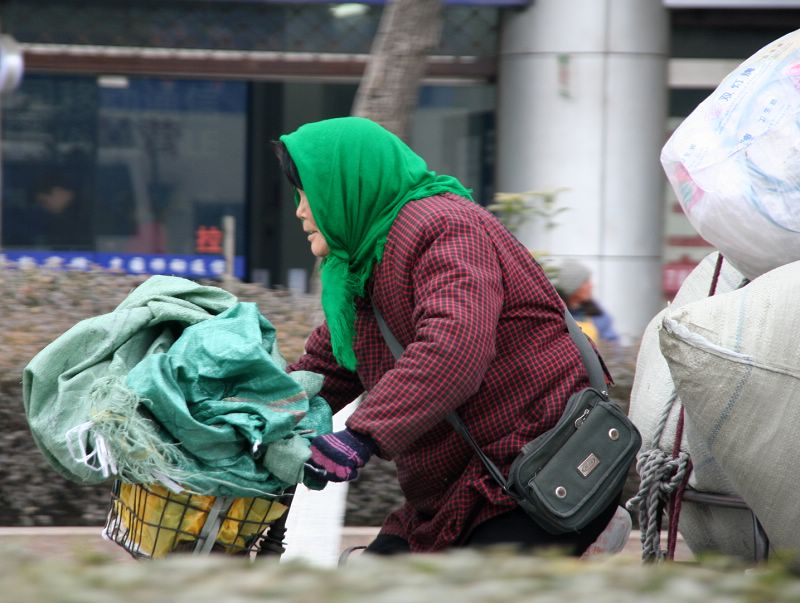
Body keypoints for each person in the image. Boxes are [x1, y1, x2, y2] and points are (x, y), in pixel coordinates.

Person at [274, 116, 621, 555]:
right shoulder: (362, 264)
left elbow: (455, 346)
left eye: (308, 192)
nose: (300, 210)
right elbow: (326, 369)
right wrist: (250, 417)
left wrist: (361, 435)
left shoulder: (443, 226)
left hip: (537, 467)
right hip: (457, 490)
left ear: (348, 182)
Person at [553, 260, 619, 345]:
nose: (591, 285)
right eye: (586, 282)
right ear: (572, 287)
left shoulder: (597, 314)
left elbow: (613, 345)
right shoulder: (555, 314)